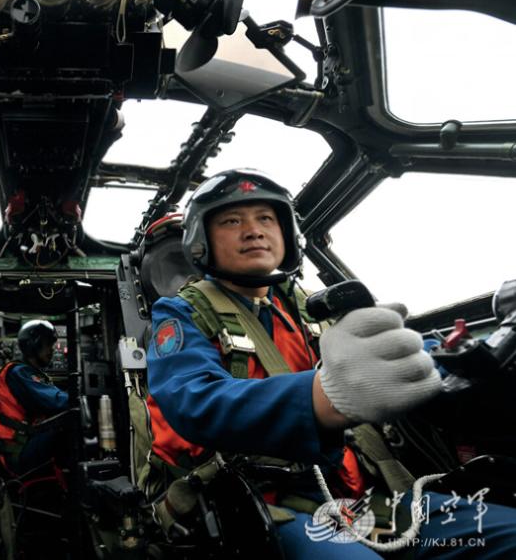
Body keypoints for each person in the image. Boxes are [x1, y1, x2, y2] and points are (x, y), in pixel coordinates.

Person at [145, 168, 516, 558]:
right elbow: (194, 403)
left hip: (365, 497)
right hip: (272, 503)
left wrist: (471, 359)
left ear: (287, 233)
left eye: (266, 218)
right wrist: (323, 398)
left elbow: (393, 358)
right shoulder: (182, 311)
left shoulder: (314, 305)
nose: (253, 231)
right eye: (232, 220)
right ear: (201, 241)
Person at [0, 320, 69, 476]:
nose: (52, 350)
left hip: (26, 442)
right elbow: (57, 401)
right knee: (69, 424)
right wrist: (81, 397)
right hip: (18, 453)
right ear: (34, 345)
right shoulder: (19, 373)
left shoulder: (30, 373)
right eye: (48, 344)